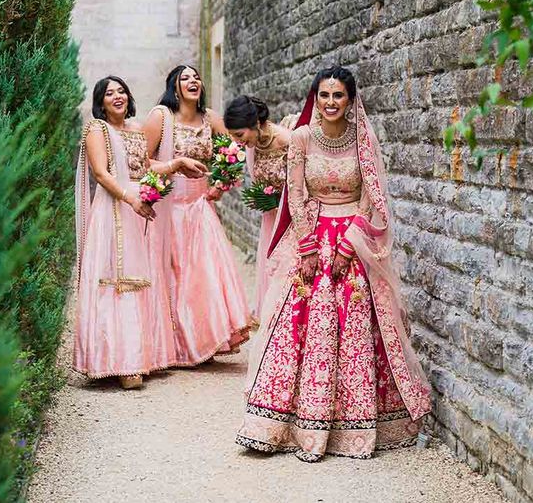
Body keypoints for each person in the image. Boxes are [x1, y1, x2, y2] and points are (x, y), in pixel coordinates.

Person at [236, 66, 431, 460]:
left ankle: (356, 428)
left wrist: (349, 244)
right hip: (312, 239)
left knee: (357, 327)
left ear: (350, 99)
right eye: (323, 95)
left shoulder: (363, 139)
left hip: (353, 243)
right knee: (303, 327)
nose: (329, 103)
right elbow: (294, 193)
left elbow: (369, 197)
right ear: (315, 98)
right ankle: (283, 424)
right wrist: (307, 247)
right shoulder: (303, 138)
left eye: (337, 96)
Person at [74, 76, 204, 388]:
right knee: (116, 281)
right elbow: (102, 173)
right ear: (100, 102)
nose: (117, 97)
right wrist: (130, 198)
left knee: (142, 281)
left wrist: (176, 163)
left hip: (139, 210)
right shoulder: (97, 130)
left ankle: (139, 356)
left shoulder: (134, 130)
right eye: (109, 93)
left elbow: (144, 167)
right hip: (115, 208)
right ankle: (115, 362)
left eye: (121, 91)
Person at [144, 65, 252, 367]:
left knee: (202, 273)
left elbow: (235, 152)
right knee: (172, 272)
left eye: (196, 77)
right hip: (169, 207)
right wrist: (173, 166)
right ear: (174, 87)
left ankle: (201, 340)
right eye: (185, 78)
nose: (193, 81)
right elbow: (141, 161)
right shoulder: (161, 118)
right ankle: (173, 344)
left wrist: (221, 184)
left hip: (201, 205)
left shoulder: (212, 118)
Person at [224, 95, 291, 323]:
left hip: (291, 218)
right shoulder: (252, 146)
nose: (237, 141)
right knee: (270, 269)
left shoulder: (286, 140)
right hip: (271, 217)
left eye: (240, 135)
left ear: (256, 123)